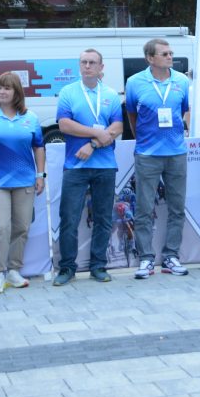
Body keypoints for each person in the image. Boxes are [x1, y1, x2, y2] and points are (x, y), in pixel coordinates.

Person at [0, 72, 47, 293]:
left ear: (17, 92)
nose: (2, 92)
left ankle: (14, 271)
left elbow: (38, 147)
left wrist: (40, 175)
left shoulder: (30, 117)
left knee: (22, 227)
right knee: (1, 227)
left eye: (7, 88)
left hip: (25, 182)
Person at [53, 49, 123, 286]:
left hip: (105, 165)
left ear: (101, 67)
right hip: (75, 165)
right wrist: (97, 133)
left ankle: (98, 266)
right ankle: (67, 268)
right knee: (69, 218)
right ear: (79, 65)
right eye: (83, 62)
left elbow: (117, 127)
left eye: (92, 62)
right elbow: (64, 125)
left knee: (103, 218)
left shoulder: (110, 94)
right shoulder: (68, 92)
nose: (87, 66)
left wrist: (93, 144)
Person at [127, 39, 192, 279]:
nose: (170, 56)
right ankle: (146, 259)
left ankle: (171, 256)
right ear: (150, 58)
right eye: (164, 54)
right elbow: (132, 115)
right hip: (148, 154)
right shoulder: (135, 82)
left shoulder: (182, 81)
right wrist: (143, 140)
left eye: (171, 53)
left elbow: (184, 110)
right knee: (144, 208)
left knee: (177, 207)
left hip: (176, 153)